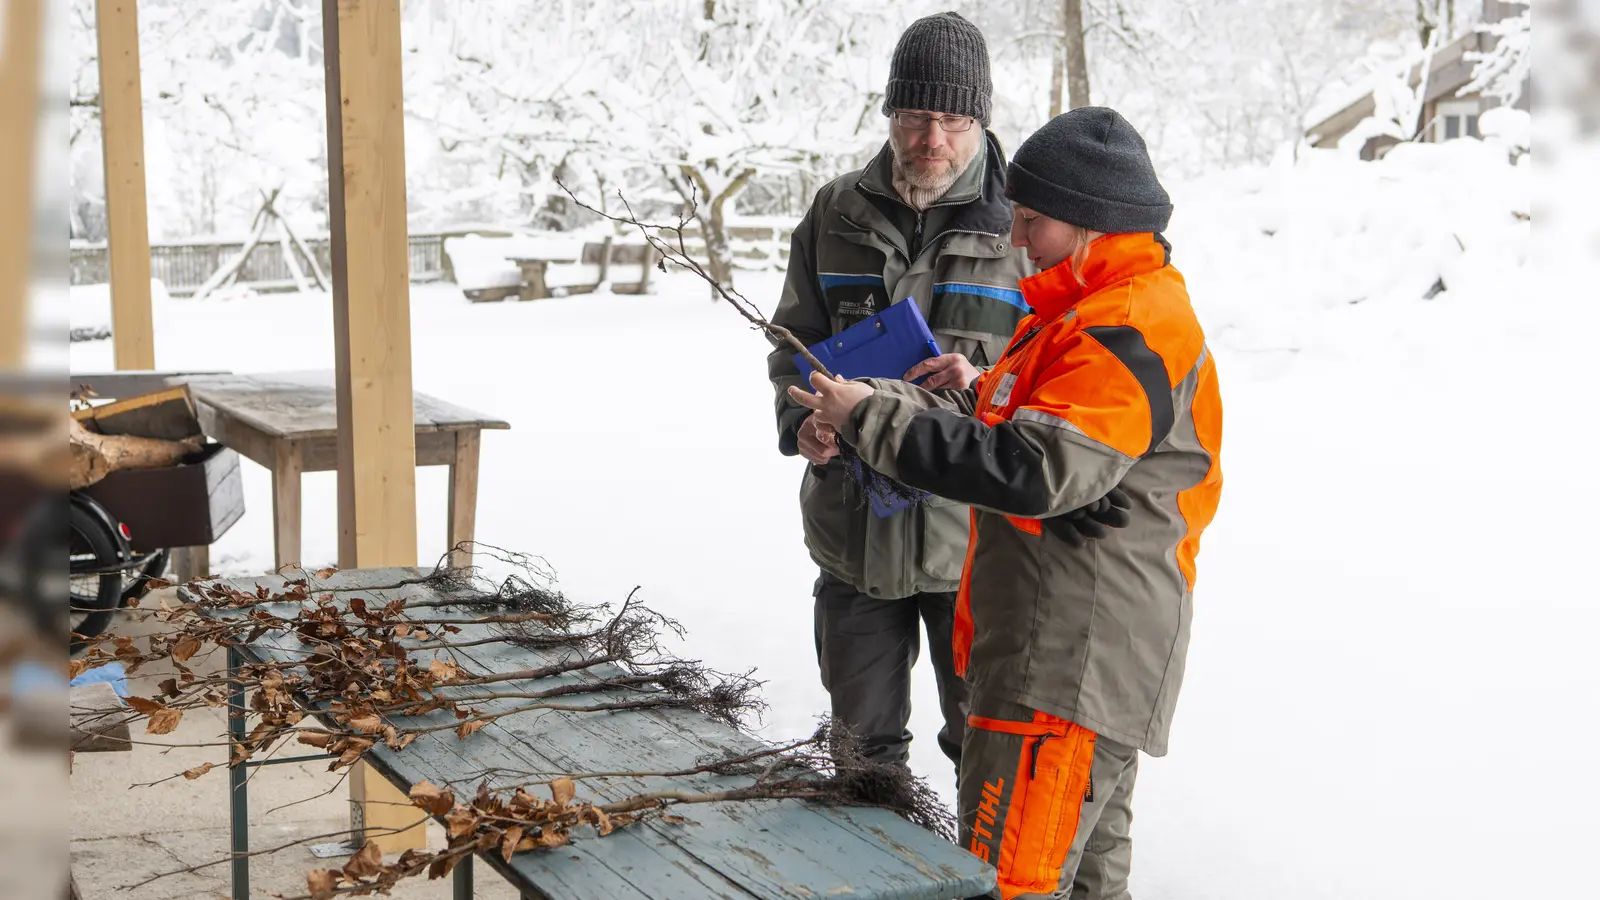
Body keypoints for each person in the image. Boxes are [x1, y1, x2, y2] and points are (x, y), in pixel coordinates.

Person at [788, 107, 1224, 900]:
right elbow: (1026, 437)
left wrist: (873, 418)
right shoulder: (1076, 316)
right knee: (1087, 883)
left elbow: (1037, 468)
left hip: (1060, 670)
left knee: (1003, 885)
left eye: (1033, 221)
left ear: (1089, 224)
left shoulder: (1122, 326)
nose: (1017, 239)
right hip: (1064, 660)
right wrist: (937, 396)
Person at [764, 12, 1034, 774]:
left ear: (980, 119)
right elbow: (790, 344)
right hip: (851, 536)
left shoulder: (1027, 228)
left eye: (953, 118)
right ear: (889, 113)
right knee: (862, 755)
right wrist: (803, 422)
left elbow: (1061, 384)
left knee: (983, 752)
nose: (933, 140)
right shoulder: (834, 214)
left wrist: (984, 385)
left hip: (976, 549)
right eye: (917, 117)